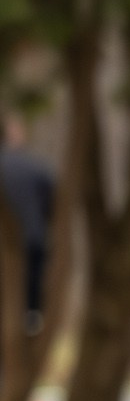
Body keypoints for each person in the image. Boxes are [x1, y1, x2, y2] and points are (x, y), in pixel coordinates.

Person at [1, 114, 53, 334]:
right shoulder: (35, 168)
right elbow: (53, 199)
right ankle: (32, 316)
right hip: (33, 239)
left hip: (10, 245)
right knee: (31, 288)